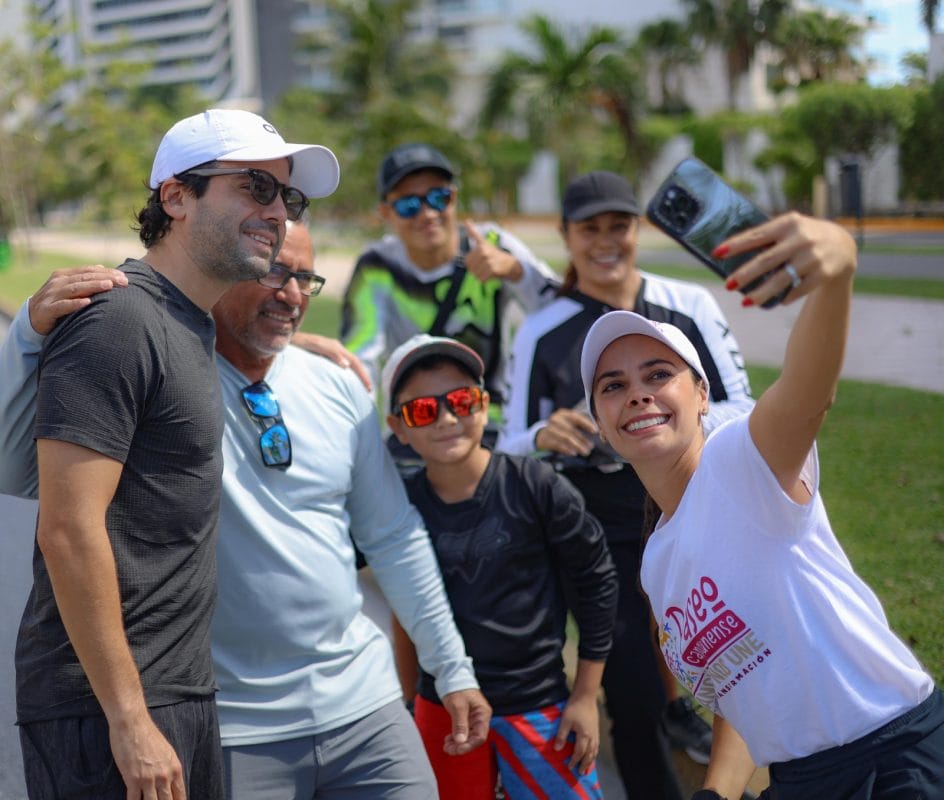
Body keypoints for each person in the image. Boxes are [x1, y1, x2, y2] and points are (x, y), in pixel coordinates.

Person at [0, 220, 492, 799]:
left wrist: (451, 667)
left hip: (366, 707)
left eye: (304, 279)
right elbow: (18, 471)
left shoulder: (338, 386)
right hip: (233, 727)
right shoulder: (166, 374)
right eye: (273, 274)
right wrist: (25, 337)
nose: (291, 295)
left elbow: (393, 536)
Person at [8, 107, 339, 800]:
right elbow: (68, 529)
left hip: (175, 692)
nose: (278, 211)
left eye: (288, 196)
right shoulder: (118, 320)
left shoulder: (185, 325)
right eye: (255, 186)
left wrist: (297, 343)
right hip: (111, 708)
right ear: (175, 196)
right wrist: (129, 719)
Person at [580, 213, 944, 800]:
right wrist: (717, 793)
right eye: (612, 385)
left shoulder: (740, 462)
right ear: (599, 423)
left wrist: (836, 273)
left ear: (702, 395)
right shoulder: (657, 564)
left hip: (892, 755)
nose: (638, 392)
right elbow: (744, 684)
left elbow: (809, 390)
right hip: (800, 779)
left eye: (658, 373)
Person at [497, 170, 754, 798]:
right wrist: (542, 435)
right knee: (631, 690)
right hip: (599, 533)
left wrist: (651, 425)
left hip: (697, 515)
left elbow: (744, 407)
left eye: (620, 225)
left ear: (638, 230)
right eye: (590, 229)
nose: (606, 241)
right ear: (565, 237)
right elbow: (507, 441)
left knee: (741, 672)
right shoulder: (540, 328)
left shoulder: (688, 303)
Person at [382, 333, 618, 798]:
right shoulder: (399, 509)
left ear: (485, 405)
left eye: (462, 401)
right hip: (445, 708)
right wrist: (412, 702)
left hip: (540, 704)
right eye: (424, 410)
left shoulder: (533, 483)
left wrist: (586, 696)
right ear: (399, 427)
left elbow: (597, 582)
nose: (448, 418)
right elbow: (406, 611)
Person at [340, 142, 560, 436]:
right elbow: (360, 360)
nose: (427, 214)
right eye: (408, 205)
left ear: (454, 198)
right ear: (385, 213)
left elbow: (561, 312)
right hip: (418, 426)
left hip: (490, 424)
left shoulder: (493, 244)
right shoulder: (376, 266)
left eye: (438, 197)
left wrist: (515, 271)